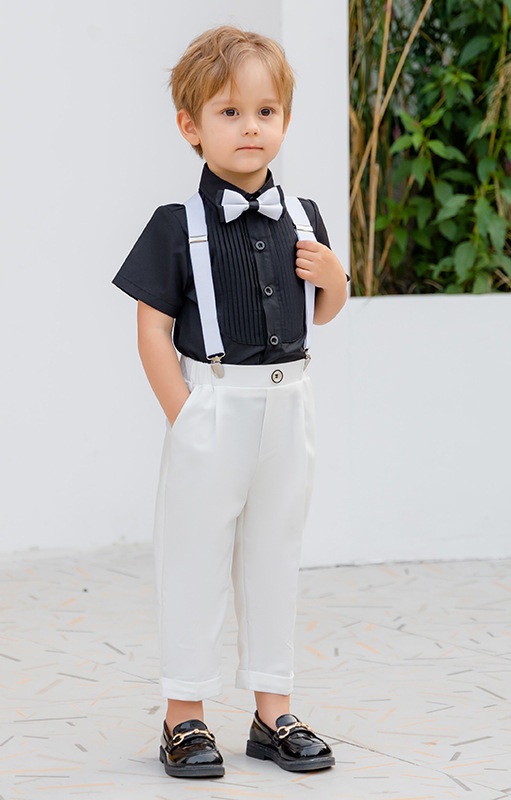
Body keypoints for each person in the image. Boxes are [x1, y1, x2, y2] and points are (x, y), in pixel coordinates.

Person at [112, 25, 349, 779]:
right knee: (194, 557)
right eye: (229, 113)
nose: (251, 127)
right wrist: (184, 412)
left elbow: (322, 311)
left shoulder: (304, 216)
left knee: (274, 552)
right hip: (215, 404)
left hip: (290, 404)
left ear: (283, 120)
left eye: (266, 112)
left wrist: (336, 278)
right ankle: (184, 717)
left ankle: (274, 711)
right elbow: (151, 327)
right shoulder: (175, 225)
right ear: (191, 126)